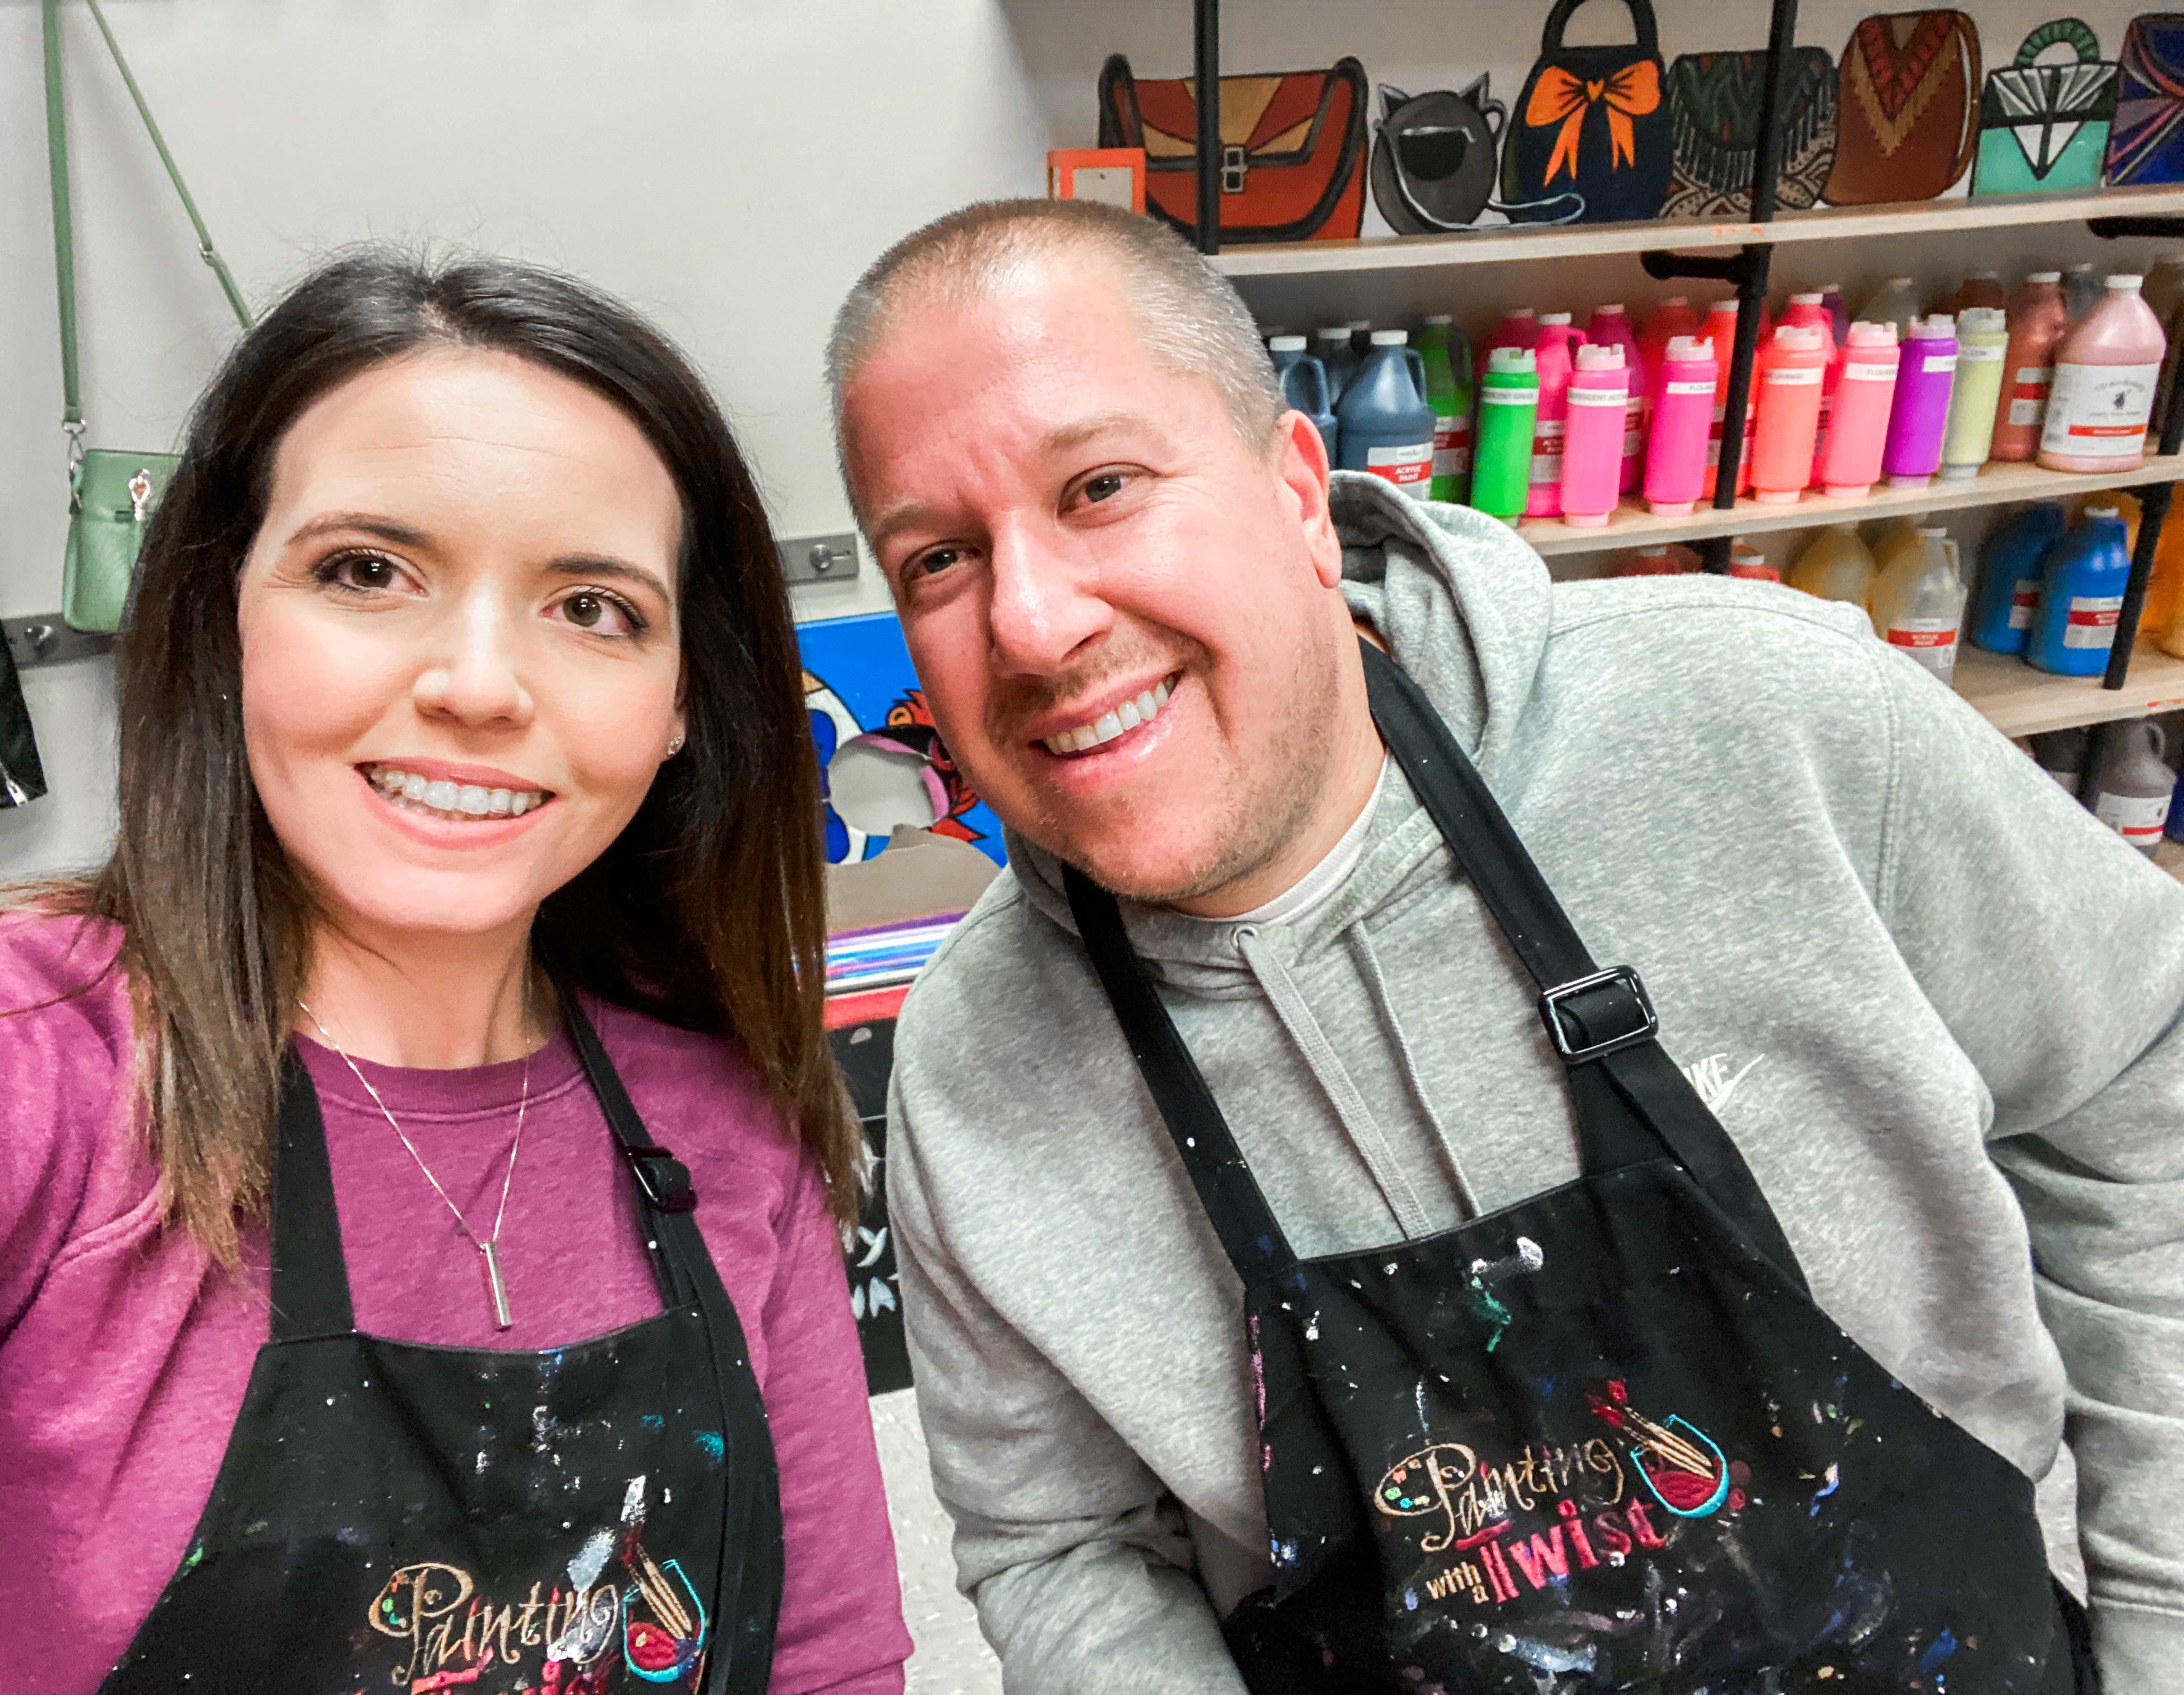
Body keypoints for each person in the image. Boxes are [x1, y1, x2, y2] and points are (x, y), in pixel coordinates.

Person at [826, 197, 2184, 1694]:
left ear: (1294, 486)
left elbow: (2145, 1085)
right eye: (938, 561)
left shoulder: (1765, 725)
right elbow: (1058, 1543)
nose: (1028, 622)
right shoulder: (971, 1078)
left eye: (1100, 485)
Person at [0, 249, 911, 1694]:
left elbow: (822, 1665)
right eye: (367, 572)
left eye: (592, 608)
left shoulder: (730, 1125)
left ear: (684, 697)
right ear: (224, 614)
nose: (479, 685)